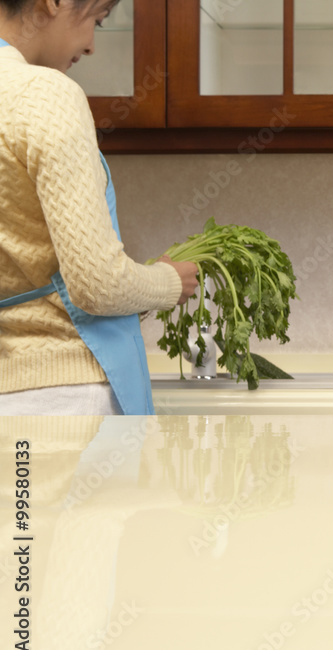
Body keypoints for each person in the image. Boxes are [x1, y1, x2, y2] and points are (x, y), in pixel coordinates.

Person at [0, 0, 198, 415]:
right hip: (59, 397)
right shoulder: (43, 94)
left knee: (20, 485)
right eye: (97, 20)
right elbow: (98, 284)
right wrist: (169, 283)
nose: (91, 46)